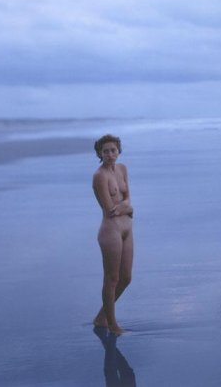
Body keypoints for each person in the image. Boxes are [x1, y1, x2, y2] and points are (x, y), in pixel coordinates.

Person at [92, 134, 134, 335]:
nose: (110, 154)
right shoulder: (99, 176)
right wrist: (127, 207)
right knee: (112, 278)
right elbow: (111, 209)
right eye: (105, 151)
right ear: (100, 153)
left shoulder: (123, 169)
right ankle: (111, 323)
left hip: (127, 229)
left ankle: (101, 316)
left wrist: (126, 207)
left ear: (119, 151)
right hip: (111, 232)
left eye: (113, 150)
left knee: (126, 278)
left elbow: (128, 201)